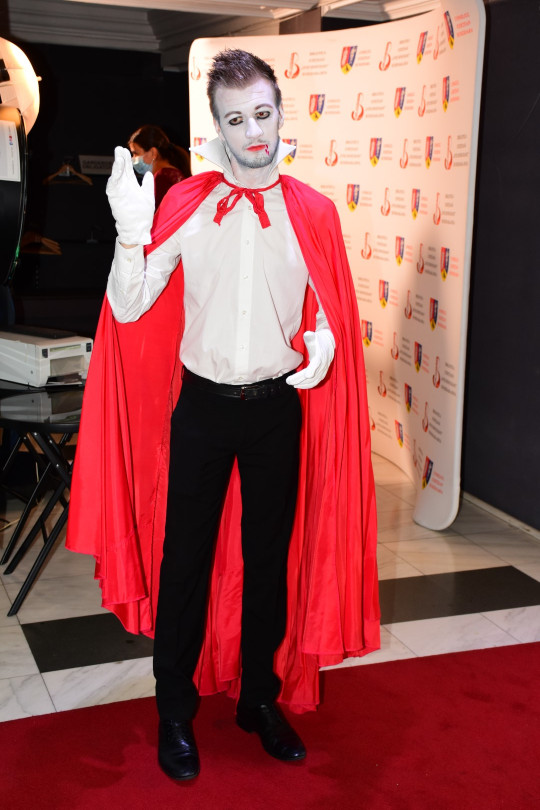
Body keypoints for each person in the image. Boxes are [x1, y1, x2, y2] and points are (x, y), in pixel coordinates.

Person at [66, 49, 379, 782]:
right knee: (185, 563)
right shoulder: (189, 204)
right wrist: (131, 232)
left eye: (263, 114)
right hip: (202, 409)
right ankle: (174, 710)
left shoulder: (314, 213)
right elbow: (131, 306)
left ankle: (258, 700)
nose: (254, 133)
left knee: (269, 563)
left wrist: (325, 342)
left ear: (280, 114)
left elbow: (327, 304)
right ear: (218, 128)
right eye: (237, 120)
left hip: (276, 411)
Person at [128, 124, 191, 208]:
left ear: (153, 153)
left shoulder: (162, 177)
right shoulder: (174, 173)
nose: (133, 158)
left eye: (136, 153)